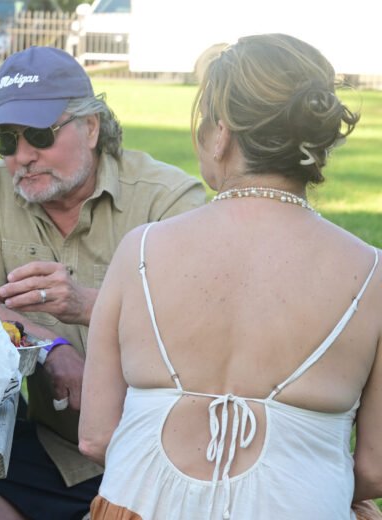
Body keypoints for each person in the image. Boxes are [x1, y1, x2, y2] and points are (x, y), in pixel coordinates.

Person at [78, 33, 382, 520]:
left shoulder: (140, 251)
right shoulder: (371, 274)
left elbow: (95, 436)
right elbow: (375, 465)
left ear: (221, 133)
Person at [0, 46, 205, 520]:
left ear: (91, 127)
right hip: (57, 446)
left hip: (157, 453)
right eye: (6, 140)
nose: (22, 156)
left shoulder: (168, 200)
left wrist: (89, 306)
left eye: (40, 135)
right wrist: (52, 346)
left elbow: (200, 324)